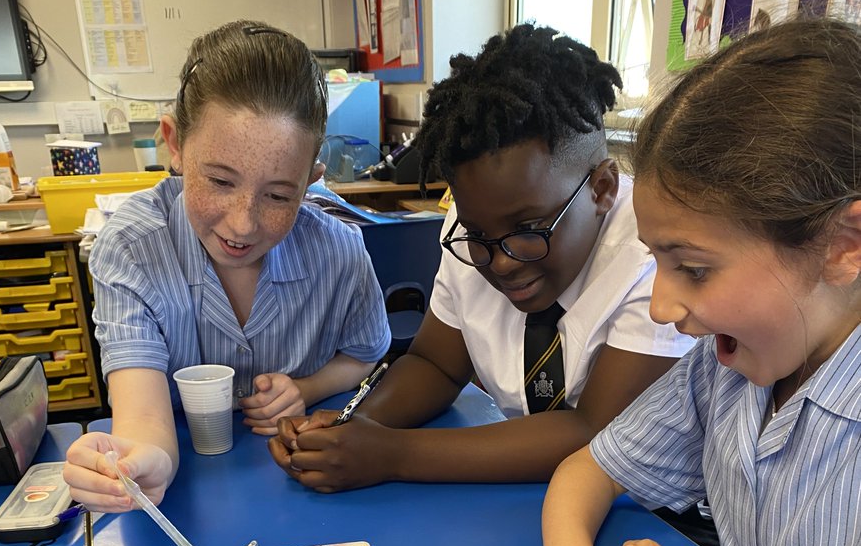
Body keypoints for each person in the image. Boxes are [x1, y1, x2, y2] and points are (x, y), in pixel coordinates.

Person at [542, 16, 861, 546]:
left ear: (843, 247)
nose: (662, 305)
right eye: (657, 261)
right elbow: (587, 470)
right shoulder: (728, 368)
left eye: (693, 268)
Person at [268, 24, 693, 493]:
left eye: (528, 230)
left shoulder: (654, 255)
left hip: (652, 509)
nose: (503, 262)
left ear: (602, 189)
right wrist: (357, 425)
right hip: (530, 493)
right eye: (478, 234)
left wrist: (392, 454)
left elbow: (594, 432)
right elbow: (436, 363)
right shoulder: (476, 225)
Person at [64, 20, 390, 511]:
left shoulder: (339, 251)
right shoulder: (132, 250)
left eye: (278, 196)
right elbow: (143, 415)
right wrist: (142, 463)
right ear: (175, 144)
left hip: (311, 490)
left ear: (311, 180)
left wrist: (307, 388)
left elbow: (365, 355)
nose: (242, 224)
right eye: (219, 181)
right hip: (192, 490)